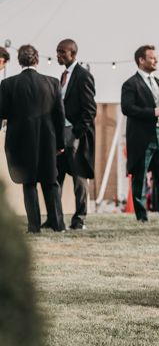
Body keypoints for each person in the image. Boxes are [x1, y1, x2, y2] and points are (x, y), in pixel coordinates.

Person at [0, 44, 65, 232]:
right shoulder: (52, 82)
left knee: (29, 183)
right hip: (48, 140)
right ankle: (58, 224)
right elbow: (59, 116)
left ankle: (34, 226)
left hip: (20, 141)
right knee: (51, 182)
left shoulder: (8, 84)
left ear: (19, 61)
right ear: (37, 60)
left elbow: (2, 112)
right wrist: (60, 143)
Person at [121, 45, 159, 222]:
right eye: (151, 57)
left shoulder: (158, 82)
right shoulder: (130, 84)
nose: (156, 60)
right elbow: (127, 108)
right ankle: (142, 216)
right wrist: (151, 113)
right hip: (143, 137)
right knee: (140, 177)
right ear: (141, 60)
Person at [55, 39, 96, 230]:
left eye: (62, 52)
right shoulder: (62, 76)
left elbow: (90, 110)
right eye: (57, 52)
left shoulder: (83, 75)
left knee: (78, 178)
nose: (58, 55)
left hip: (76, 134)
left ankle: (79, 219)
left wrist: (76, 134)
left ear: (73, 53)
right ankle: (55, 219)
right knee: (56, 175)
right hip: (59, 133)